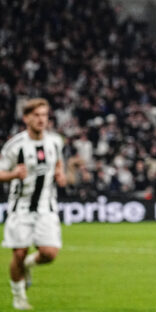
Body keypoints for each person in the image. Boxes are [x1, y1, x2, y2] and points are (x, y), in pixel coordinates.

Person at [0, 98, 67, 310]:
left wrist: (60, 172)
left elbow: (58, 161)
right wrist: (13, 174)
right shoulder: (15, 145)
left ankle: (28, 265)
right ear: (26, 118)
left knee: (49, 253)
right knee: (18, 252)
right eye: (36, 115)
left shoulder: (55, 141)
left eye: (44, 115)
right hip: (21, 207)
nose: (41, 120)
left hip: (46, 206)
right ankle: (19, 297)